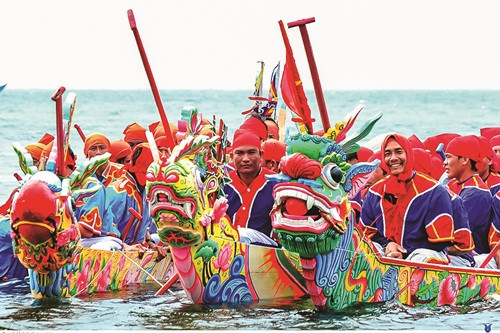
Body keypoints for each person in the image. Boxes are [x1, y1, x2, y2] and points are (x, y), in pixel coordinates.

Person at [360, 133, 456, 264]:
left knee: (420, 258)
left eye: (398, 152)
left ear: (409, 155)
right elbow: (367, 233)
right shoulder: (374, 192)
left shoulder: (434, 191)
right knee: (363, 250)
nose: (393, 158)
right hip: (388, 251)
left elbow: (440, 242)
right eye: (387, 154)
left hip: (424, 253)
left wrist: (403, 253)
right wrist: (388, 245)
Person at [444, 135, 500, 268]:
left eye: (448, 156)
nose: (444, 162)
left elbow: (452, 233)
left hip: (470, 255)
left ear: (464, 160)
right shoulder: (451, 184)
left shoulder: (477, 192)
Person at [224, 131, 277, 237]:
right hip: (226, 247)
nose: (246, 159)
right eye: (239, 153)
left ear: (261, 155)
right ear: (231, 156)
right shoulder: (222, 182)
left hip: (264, 249)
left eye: (251, 152)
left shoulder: (276, 184)